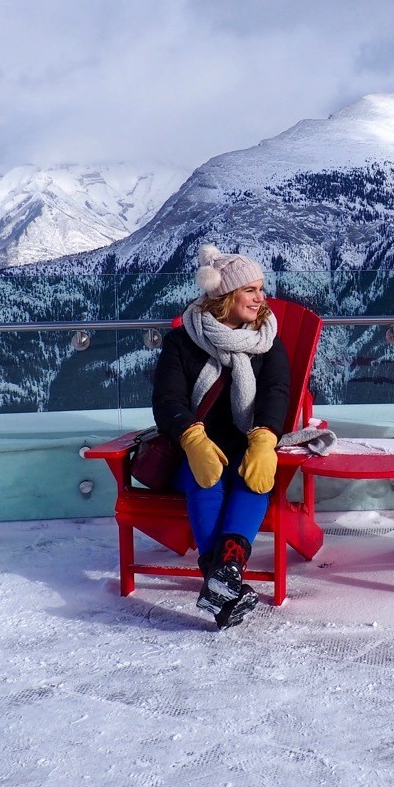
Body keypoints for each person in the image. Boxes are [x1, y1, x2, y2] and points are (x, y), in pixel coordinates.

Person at [151, 244, 289, 628]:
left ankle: (222, 576)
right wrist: (192, 439)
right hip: (196, 449)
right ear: (225, 296)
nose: (261, 298)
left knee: (253, 480)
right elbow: (167, 399)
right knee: (205, 477)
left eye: (261, 289)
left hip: (248, 445)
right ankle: (225, 585)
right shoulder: (182, 342)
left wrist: (265, 439)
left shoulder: (267, 341)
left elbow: (277, 391)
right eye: (251, 290)